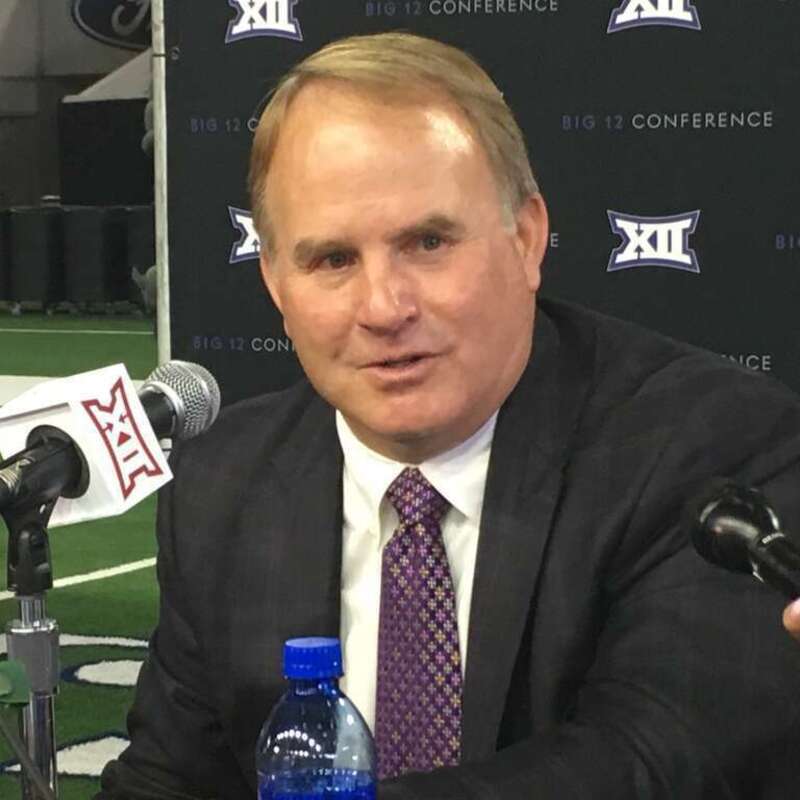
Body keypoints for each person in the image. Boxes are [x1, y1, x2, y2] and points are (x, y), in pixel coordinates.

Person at [98, 32, 800, 799]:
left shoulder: (708, 452)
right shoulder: (222, 484)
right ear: (273, 281)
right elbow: (170, 778)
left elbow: (651, 761)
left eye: (427, 242)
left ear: (527, 238)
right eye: (332, 260)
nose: (384, 307)